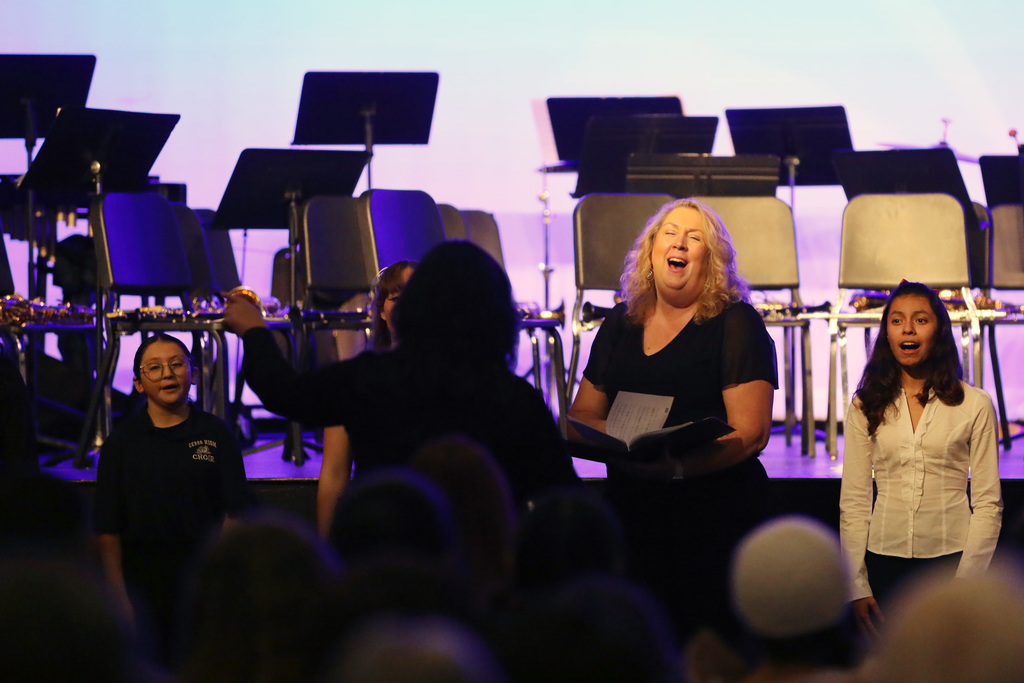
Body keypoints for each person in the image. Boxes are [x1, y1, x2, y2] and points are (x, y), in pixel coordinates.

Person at [225, 241, 579, 509]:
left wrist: (256, 332)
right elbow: (567, 504)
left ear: (415, 306)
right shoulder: (516, 398)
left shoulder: (372, 379)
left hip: (386, 568)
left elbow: (284, 392)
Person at [567, 198, 777, 644]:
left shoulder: (735, 323)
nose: (679, 242)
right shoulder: (621, 323)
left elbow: (752, 432)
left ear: (711, 259)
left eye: (695, 237)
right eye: (669, 233)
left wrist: (678, 468)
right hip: (633, 502)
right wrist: (625, 442)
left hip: (711, 512)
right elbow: (580, 415)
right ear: (650, 250)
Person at [839, 281, 1002, 638]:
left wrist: (966, 584)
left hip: (950, 564)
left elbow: (989, 503)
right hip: (884, 562)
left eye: (920, 320)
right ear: (887, 332)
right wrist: (857, 585)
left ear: (939, 331)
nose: (908, 329)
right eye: (897, 320)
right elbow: (853, 501)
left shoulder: (974, 404)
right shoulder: (865, 405)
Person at [93, 333, 252, 665]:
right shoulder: (121, 444)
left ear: (192, 373)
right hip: (142, 582)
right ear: (139, 383)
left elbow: (236, 511)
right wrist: (117, 592)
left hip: (203, 576)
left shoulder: (216, 433)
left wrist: (218, 581)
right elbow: (107, 527)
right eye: (155, 367)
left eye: (177, 364)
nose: (168, 373)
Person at [318, 260, 416, 536]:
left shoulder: (452, 380)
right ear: (382, 311)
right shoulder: (356, 382)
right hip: (374, 529)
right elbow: (334, 476)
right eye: (396, 298)